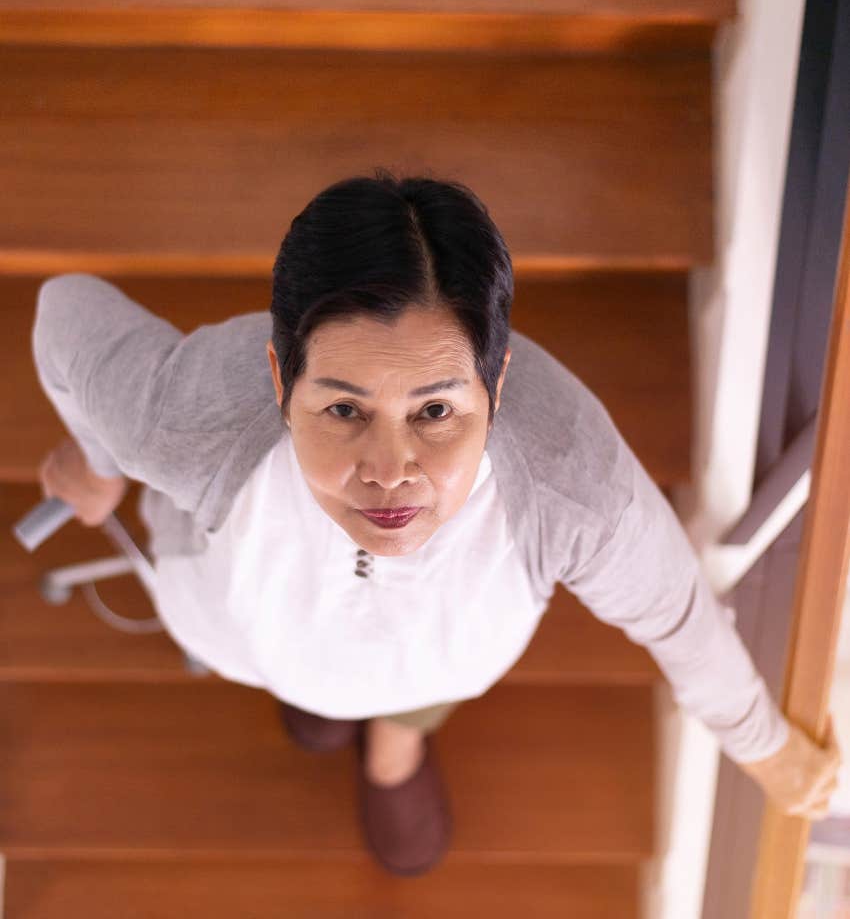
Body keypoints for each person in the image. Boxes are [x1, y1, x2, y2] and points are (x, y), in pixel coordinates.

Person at [33, 169, 842, 877]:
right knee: (311, 710)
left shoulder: (572, 478)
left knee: (355, 719)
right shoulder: (193, 415)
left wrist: (765, 749)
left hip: (442, 654)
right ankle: (342, 716)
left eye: (436, 410)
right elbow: (62, 311)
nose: (390, 472)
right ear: (280, 377)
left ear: (497, 385)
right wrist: (102, 454)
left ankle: (398, 739)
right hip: (256, 627)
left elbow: (673, 613)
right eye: (344, 407)